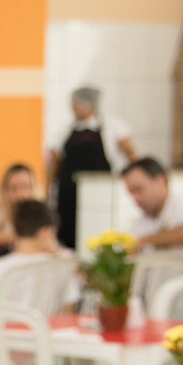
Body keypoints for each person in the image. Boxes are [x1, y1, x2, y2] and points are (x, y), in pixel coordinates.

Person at [48, 86, 137, 250]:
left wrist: (130, 182)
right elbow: (54, 158)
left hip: (100, 192)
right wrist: (49, 188)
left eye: (75, 104)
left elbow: (131, 154)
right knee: (68, 235)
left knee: (96, 233)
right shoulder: (65, 129)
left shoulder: (111, 126)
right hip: (68, 193)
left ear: (87, 105)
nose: (73, 108)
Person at [0, 200, 77, 308]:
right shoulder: (61, 265)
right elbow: (69, 306)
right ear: (45, 233)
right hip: (48, 319)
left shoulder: (1, 267)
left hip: (9, 319)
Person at [122, 157, 183, 252]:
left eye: (138, 189)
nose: (136, 198)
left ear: (160, 181)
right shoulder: (138, 223)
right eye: (131, 193)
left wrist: (147, 240)